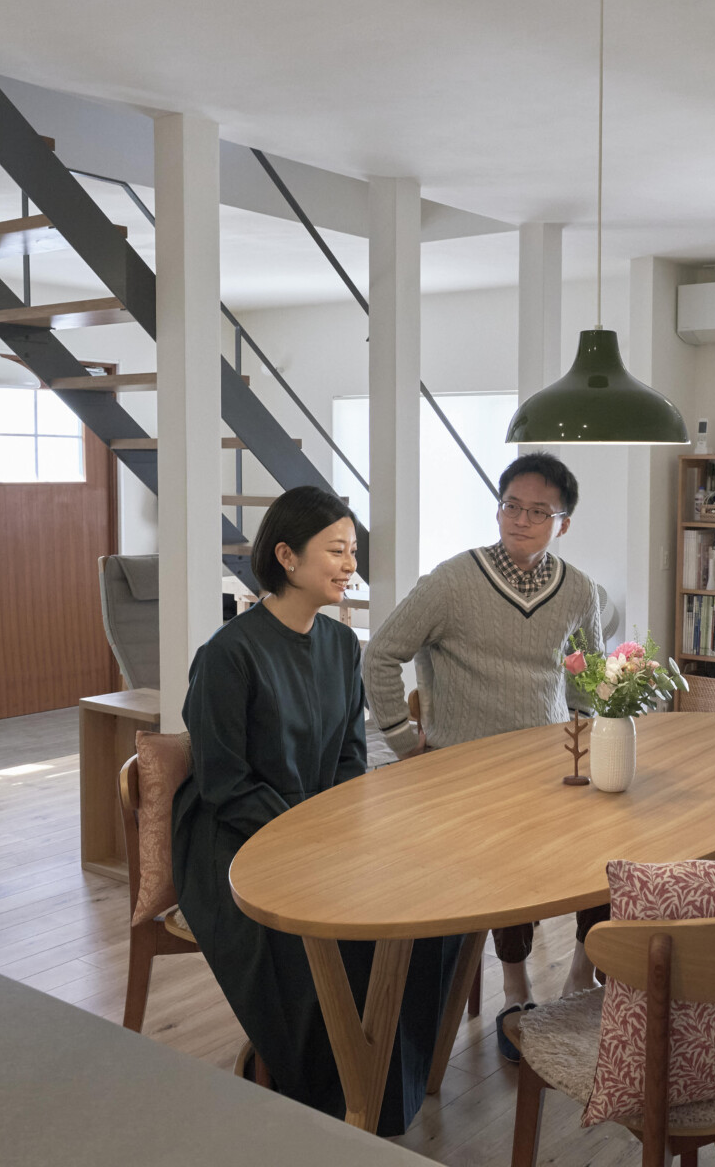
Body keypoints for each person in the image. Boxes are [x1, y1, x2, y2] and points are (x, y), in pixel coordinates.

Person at [171, 485, 454, 1135]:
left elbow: (350, 759)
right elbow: (224, 782)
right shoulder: (228, 654)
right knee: (321, 941)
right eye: (336, 550)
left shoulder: (341, 645)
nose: (350, 565)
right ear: (286, 556)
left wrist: (342, 832)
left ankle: (383, 1093)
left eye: (352, 551)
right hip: (232, 843)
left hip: (318, 831)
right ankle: (330, 1098)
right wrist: (305, 839)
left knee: (420, 917)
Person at [364, 452, 612, 1061]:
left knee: (613, 840)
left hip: (550, 765)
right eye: (511, 506)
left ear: (564, 523)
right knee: (508, 852)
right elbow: (380, 655)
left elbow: (588, 679)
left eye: (538, 512)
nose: (521, 520)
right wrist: (404, 743)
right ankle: (516, 987)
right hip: (465, 776)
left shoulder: (579, 590)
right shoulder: (451, 582)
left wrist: (584, 746)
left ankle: (583, 973)